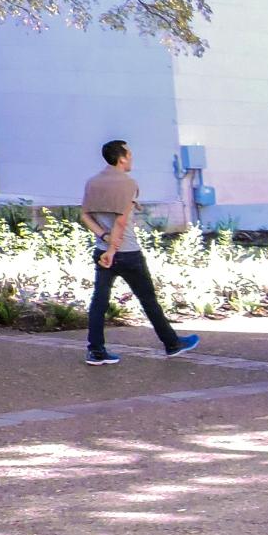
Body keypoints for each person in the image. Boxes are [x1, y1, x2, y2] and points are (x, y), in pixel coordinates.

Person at [81, 139, 200, 365]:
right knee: (148, 299)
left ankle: (95, 351)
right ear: (122, 157)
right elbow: (121, 221)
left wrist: (104, 239)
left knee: (99, 301)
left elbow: (85, 215)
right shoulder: (128, 184)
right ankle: (172, 344)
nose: (132, 158)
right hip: (126, 252)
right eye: (130, 154)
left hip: (102, 250)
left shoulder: (92, 182)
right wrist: (113, 249)